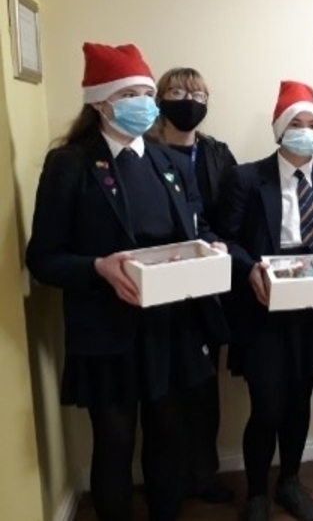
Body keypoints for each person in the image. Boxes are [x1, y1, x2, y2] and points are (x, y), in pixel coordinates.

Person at [25, 42, 228, 521]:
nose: (145, 102)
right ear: (101, 102)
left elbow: (198, 229)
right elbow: (43, 258)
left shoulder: (170, 164)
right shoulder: (70, 164)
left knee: (168, 436)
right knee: (114, 444)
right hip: (106, 330)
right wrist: (97, 268)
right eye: (132, 92)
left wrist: (213, 246)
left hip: (171, 326)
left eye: (146, 91)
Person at [218, 81, 313, 521]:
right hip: (262, 305)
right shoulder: (246, 179)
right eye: (298, 123)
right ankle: (256, 492)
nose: (307, 132)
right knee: (268, 404)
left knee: (299, 400)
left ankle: (290, 481)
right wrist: (249, 268)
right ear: (280, 130)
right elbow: (224, 239)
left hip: (312, 307)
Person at [150, 66, 237, 504]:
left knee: (205, 391)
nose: (189, 100)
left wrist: (222, 246)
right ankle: (165, 487)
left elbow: (233, 216)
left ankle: (204, 475)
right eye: (178, 91)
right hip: (158, 292)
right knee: (162, 398)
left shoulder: (218, 154)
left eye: (197, 93)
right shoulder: (141, 153)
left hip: (209, 290)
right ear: (159, 99)